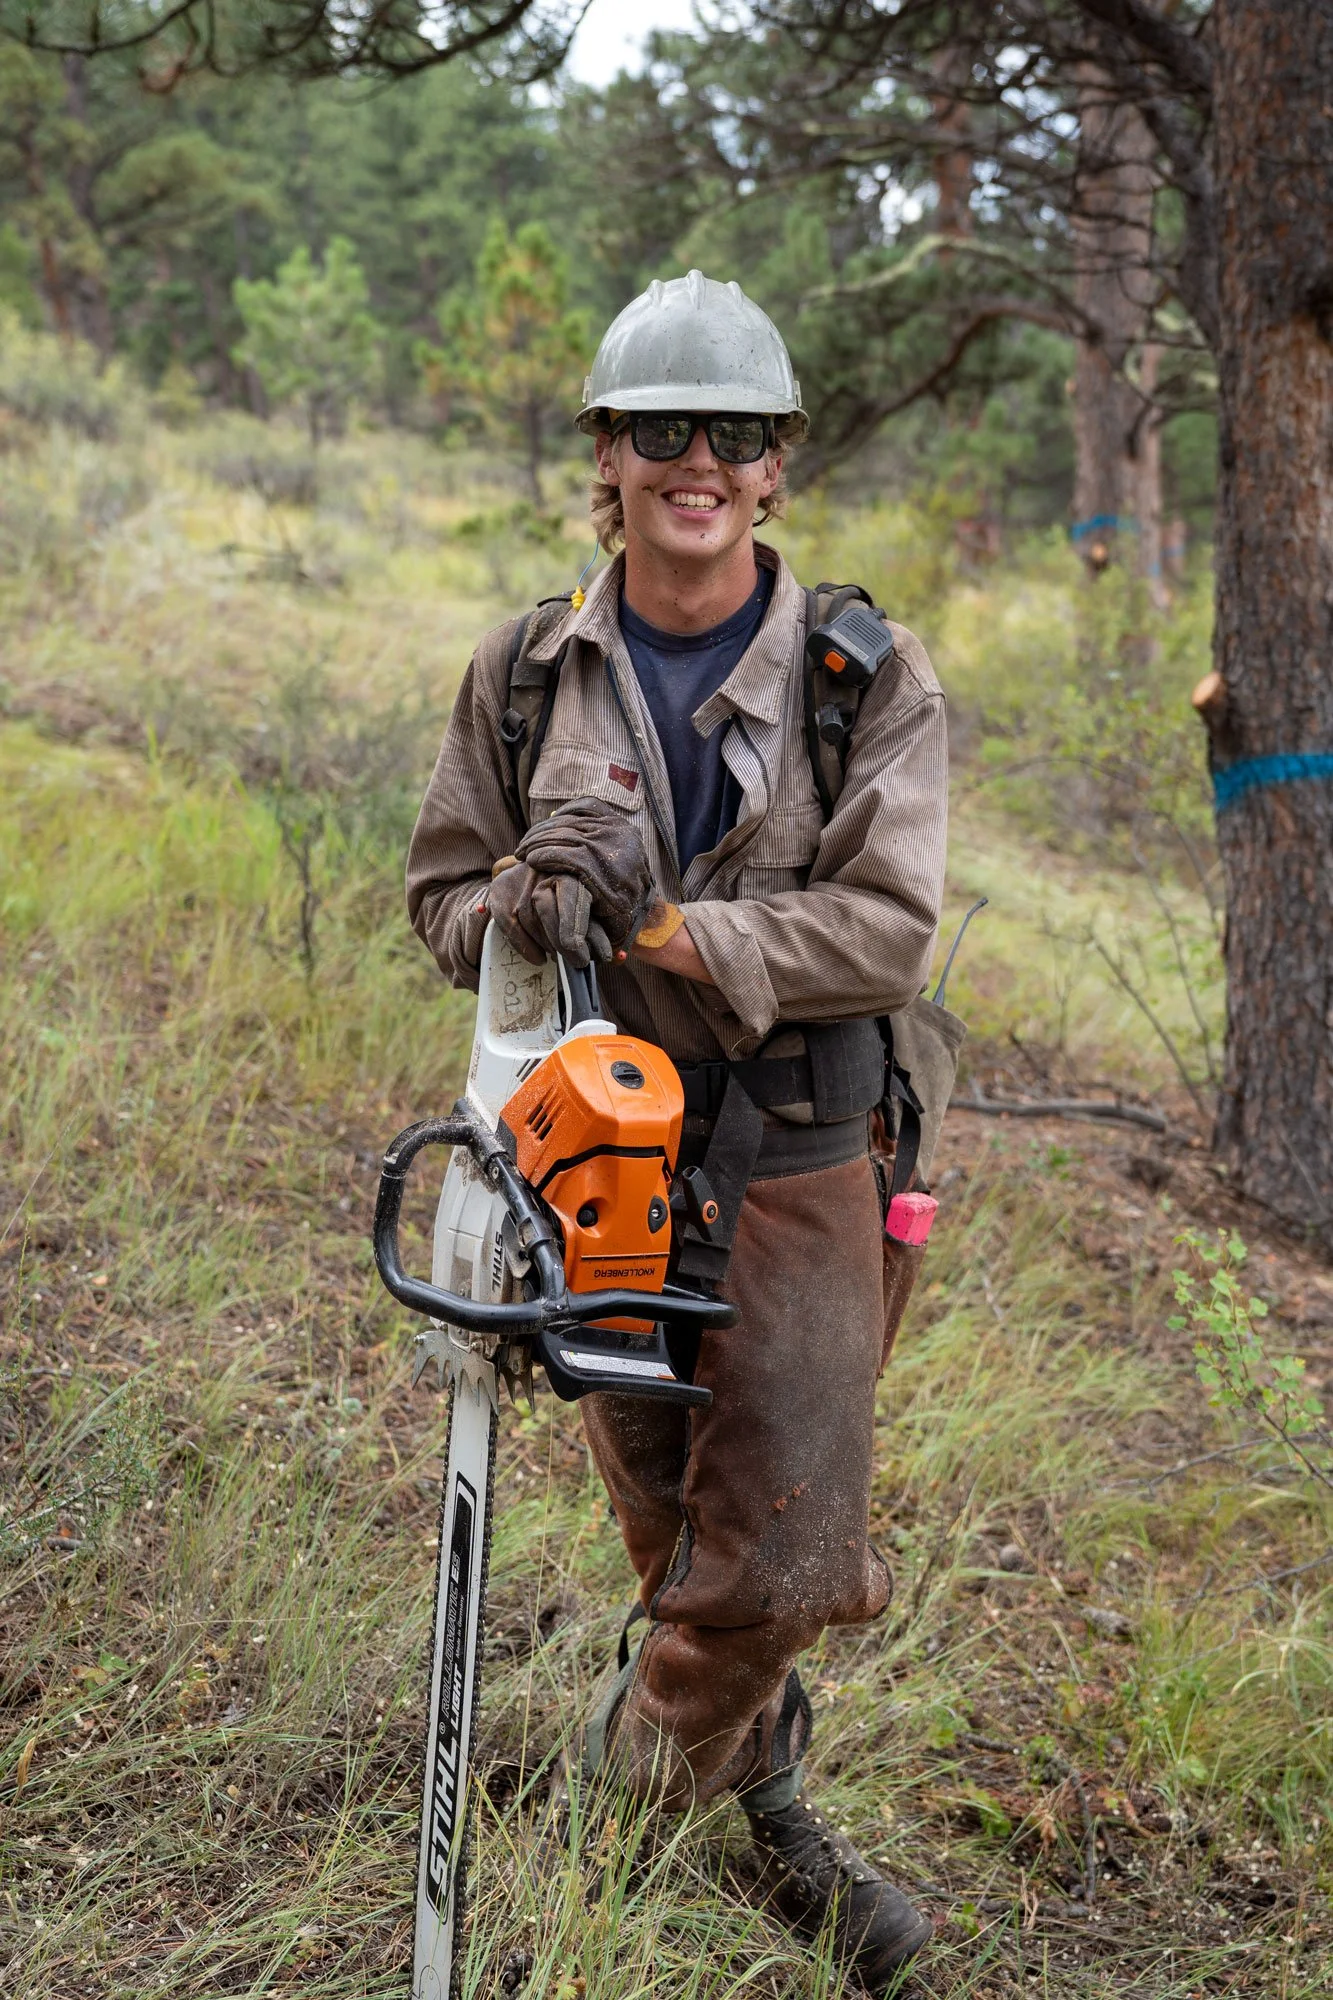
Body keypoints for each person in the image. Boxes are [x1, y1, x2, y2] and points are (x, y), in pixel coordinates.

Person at [406, 269, 948, 1990]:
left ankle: (599, 1840)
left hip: (799, 1146)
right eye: (659, 429)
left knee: (782, 1553)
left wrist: (663, 932)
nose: (693, 459)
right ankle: (776, 1822)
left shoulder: (870, 676)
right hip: (586, 1152)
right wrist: (520, 902)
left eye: (729, 431)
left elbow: (887, 931)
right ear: (609, 455)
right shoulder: (520, 672)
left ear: (777, 462)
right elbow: (433, 900)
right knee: (678, 1531)